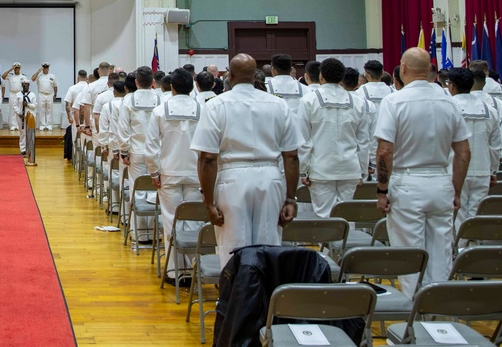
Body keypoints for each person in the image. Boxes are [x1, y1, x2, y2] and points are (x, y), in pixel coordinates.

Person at [374, 47, 471, 298]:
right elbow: (463, 153)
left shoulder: (394, 101)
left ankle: (415, 318)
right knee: (441, 253)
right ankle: (441, 317)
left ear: (403, 69)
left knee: (410, 256)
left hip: (407, 182)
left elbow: (385, 151)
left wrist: (382, 190)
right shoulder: (448, 101)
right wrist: (456, 190)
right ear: (429, 70)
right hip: (441, 181)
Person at [191, 54, 303, 266]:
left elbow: (207, 158)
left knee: (233, 250)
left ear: (230, 75)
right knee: (268, 248)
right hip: (270, 178)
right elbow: (292, 156)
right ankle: (265, 297)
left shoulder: (216, 105)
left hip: (232, 179)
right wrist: (290, 199)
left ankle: (234, 297)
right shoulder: (278, 105)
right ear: (256, 77)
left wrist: (208, 203)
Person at [144, 70, 202, 279]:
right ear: (192, 87)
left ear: (172, 87)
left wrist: (153, 172)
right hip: (197, 172)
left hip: (169, 172)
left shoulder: (160, 111)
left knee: (171, 220)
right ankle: (196, 269)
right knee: (194, 221)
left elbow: (151, 146)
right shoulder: (203, 109)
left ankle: (175, 271)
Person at [297, 58, 370, 218]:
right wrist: (363, 171)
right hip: (350, 168)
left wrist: (302, 171)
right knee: (346, 217)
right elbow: (363, 141)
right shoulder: (358, 101)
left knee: (324, 218)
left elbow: (304, 141)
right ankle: (345, 243)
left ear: (321, 76)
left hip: (321, 169)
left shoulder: (308, 100)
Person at [448, 67, 500, 228]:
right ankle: (470, 249)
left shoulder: (447, 108)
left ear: (451, 86)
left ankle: (459, 250)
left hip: (454, 170)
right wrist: (492, 170)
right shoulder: (489, 110)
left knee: (457, 216)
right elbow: (495, 146)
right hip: (482, 170)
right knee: (475, 217)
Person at [117, 66, 161, 243]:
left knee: (138, 190)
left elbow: (123, 128)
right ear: (152, 82)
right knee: (155, 192)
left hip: (135, 150)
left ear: (136, 82)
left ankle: (139, 233)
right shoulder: (160, 99)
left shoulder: (128, 100)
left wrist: (123, 150)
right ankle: (155, 233)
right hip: (156, 152)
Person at [63, 70, 89, 161]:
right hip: (88, 118)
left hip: (76, 117)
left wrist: (69, 116)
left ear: (78, 78)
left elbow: (68, 104)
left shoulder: (72, 88)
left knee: (76, 140)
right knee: (87, 141)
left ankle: (76, 161)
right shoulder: (89, 87)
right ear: (86, 78)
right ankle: (86, 161)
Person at [11, 78, 37, 159]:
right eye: (23, 84)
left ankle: (29, 148)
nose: (25, 86)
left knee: (29, 133)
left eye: (27, 84)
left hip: (30, 117)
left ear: (29, 85)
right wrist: (19, 113)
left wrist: (27, 105)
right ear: (22, 85)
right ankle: (22, 149)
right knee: (22, 133)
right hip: (21, 116)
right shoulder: (18, 94)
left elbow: (35, 105)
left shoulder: (32, 94)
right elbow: (14, 105)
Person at [31, 64, 59, 130]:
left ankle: (49, 125)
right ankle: (42, 125)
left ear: (48, 69)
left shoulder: (52, 76)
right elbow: (32, 79)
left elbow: (55, 86)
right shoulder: (39, 76)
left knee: (49, 110)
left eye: (46, 68)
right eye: (44, 68)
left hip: (49, 94)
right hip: (41, 94)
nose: (45, 69)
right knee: (41, 110)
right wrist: (38, 71)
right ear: (42, 68)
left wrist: (55, 94)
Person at [1, 63, 25, 130]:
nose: (16, 69)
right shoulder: (10, 76)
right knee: (12, 109)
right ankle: (12, 125)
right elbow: (3, 76)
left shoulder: (23, 77)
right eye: (15, 68)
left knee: (19, 109)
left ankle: (18, 124)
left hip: (20, 93)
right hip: (12, 94)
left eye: (18, 68)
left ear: (19, 69)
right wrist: (10, 70)